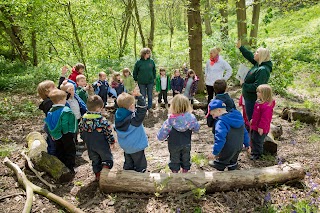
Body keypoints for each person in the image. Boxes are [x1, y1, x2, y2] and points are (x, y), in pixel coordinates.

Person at [157, 94, 200, 173]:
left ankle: (175, 173)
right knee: (186, 158)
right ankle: (185, 172)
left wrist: (160, 136)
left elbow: (161, 135)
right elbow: (197, 129)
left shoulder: (170, 120)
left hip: (174, 144)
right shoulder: (191, 118)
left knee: (174, 159)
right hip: (186, 143)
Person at [79, 95, 116, 181]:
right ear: (99, 108)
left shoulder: (83, 119)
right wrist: (112, 141)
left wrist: (84, 139)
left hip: (90, 144)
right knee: (106, 158)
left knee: (95, 160)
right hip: (101, 144)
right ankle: (105, 171)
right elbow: (108, 132)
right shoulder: (102, 120)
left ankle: (98, 174)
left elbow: (80, 130)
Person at [207, 99, 250, 171]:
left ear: (219, 110)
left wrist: (215, 152)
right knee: (233, 159)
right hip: (239, 146)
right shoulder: (238, 117)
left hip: (228, 147)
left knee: (224, 158)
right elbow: (244, 132)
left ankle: (220, 164)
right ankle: (232, 166)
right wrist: (247, 144)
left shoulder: (221, 122)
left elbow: (220, 139)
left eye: (213, 114)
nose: (213, 117)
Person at [236, 40, 273, 123]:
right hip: (248, 96)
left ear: (261, 56)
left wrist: (244, 85)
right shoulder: (258, 64)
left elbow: (257, 87)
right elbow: (250, 56)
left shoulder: (263, 70)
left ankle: (252, 134)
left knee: (252, 120)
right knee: (248, 118)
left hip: (252, 98)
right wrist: (240, 47)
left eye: (257, 52)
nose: (254, 53)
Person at [114, 90, 148, 173]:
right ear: (132, 106)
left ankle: (127, 173)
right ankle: (141, 175)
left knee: (129, 162)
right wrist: (140, 97)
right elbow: (142, 110)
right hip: (136, 146)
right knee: (140, 164)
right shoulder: (134, 119)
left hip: (126, 146)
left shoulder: (118, 115)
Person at [44, 89, 77, 172]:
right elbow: (65, 123)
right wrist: (67, 133)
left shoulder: (50, 111)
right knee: (70, 150)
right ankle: (70, 167)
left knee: (60, 149)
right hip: (66, 134)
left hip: (56, 135)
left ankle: (61, 165)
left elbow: (48, 123)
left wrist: (52, 134)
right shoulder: (65, 110)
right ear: (61, 100)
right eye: (65, 99)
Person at [250, 84, 275, 160]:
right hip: (255, 125)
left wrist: (261, 127)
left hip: (261, 127)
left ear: (264, 94)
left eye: (259, 92)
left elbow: (265, 119)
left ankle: (257, 154)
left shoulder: (267, 106)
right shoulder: (259, 102)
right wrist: (253, 120)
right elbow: (256, 114)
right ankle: (254, 151)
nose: (257, 93)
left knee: (258, 141)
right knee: (254, 138)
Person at [133, 48, 156, 112]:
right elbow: (135, 72)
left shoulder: (151, 61)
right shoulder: (138, 62)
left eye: (149, 53)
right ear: (144, 54)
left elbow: (154, 70)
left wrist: (154, 78)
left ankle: (150, 107)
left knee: (150, 95)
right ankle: (143, 107)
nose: (149, 54)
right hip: (141, 82)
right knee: (142, 95)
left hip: (150, 82)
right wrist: (136, 79)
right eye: (148, 53)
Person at [37, 80, 56, 155]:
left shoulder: (51, 99)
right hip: (51, 126)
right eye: (53, 87)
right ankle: (52, 158)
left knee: (53, 142)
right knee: (53, 144)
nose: (56, 88)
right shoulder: (48, 103)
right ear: (46, 92)